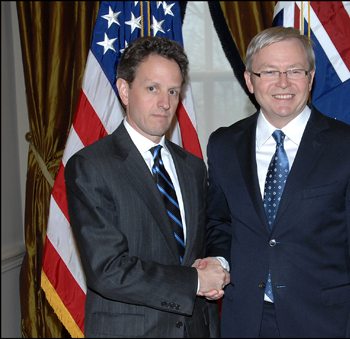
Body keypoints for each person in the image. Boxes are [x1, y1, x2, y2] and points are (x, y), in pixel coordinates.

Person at [204, 26, 350, 337]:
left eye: (295, 70)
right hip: (246, 321)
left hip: (325, 323)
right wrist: (219, 260)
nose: (284, 83)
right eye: (270, 72)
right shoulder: (223, 145)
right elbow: (219, 223)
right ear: (250, 80)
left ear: (311, 78)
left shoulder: (349, 146)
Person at [65, 36, 230, 338]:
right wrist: (194, 281)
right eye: (152, 88)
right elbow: (108, 270)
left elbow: (201, 246)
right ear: (125, 90)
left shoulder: (192, 167)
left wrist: (215, 265)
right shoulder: (90, 166)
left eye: (173, 91)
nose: (165, 103)